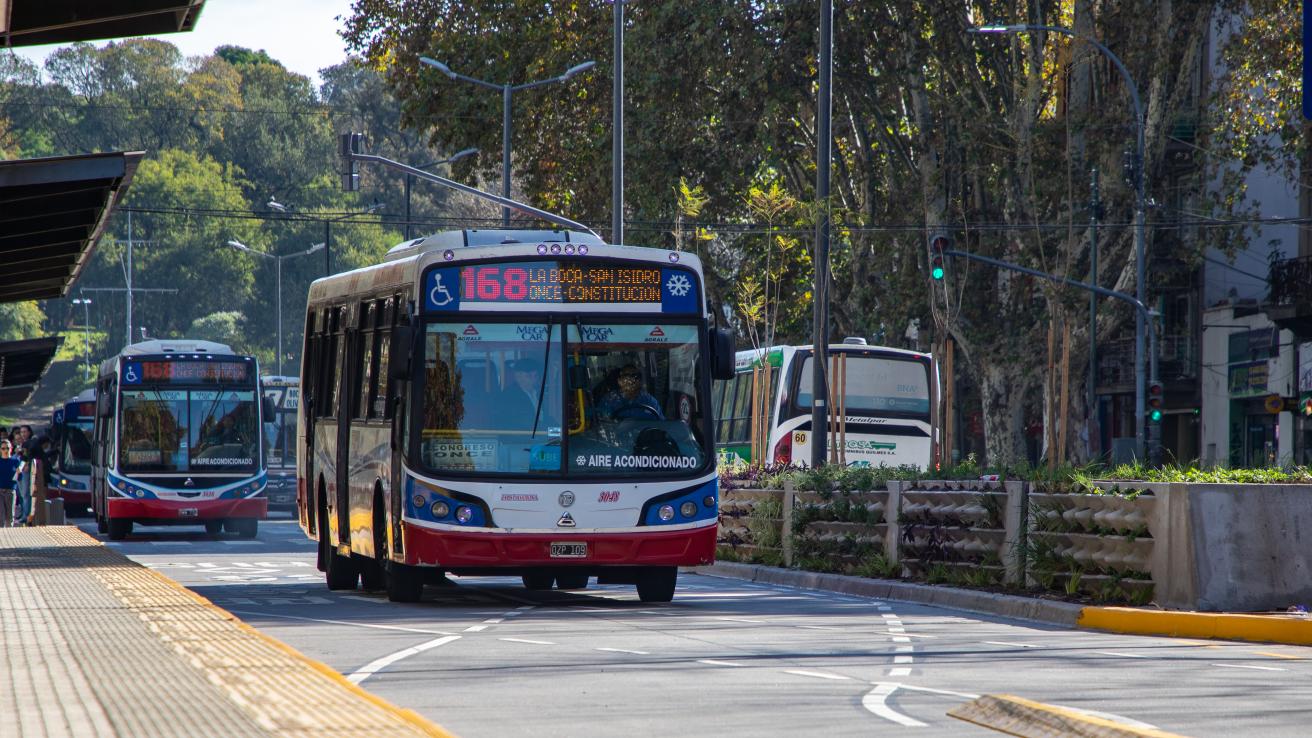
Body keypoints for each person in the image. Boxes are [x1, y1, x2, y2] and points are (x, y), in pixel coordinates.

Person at [597, 364, 664, 420]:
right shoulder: (609, 400)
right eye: (627, 376)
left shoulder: (649, 401)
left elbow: (661, 424)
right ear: (619, 381)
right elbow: (603, 424)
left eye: (636, 376)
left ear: (640, 381)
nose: (632, 380)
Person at [0, 440, 19, 527]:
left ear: (11, 449)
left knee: (10, 516)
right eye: (3, 448)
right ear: (0, 450)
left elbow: (19, 478)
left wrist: (19, 473)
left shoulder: (15, 461)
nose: (5, 450)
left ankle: (9, 533)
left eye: (7, 448)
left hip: (10, 491)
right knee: (1, 516)